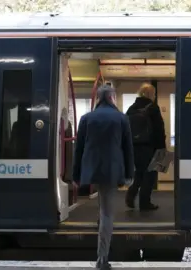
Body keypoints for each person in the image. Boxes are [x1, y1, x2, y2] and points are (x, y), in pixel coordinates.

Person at [72, 85, 134, 270]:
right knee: (107, 213)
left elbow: (79, 149)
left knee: (102, 209)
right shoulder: (121, 118)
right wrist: (129, 174)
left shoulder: (86, 118)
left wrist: (75, 175)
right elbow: (128, 149)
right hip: (112, 171)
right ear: (112, 97)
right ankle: (102, 258)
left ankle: (102, 236)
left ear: (99, 98)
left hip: (91, 169)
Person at [125, 83, 166, 211]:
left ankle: (130, 196)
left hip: (134, 147)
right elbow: (159, 129)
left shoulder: (131, 109)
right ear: (151, 94)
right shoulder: (153, 108)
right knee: (150, 174)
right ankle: (144, 202)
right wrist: (161, 148)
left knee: (139, 173)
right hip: (149, 147)